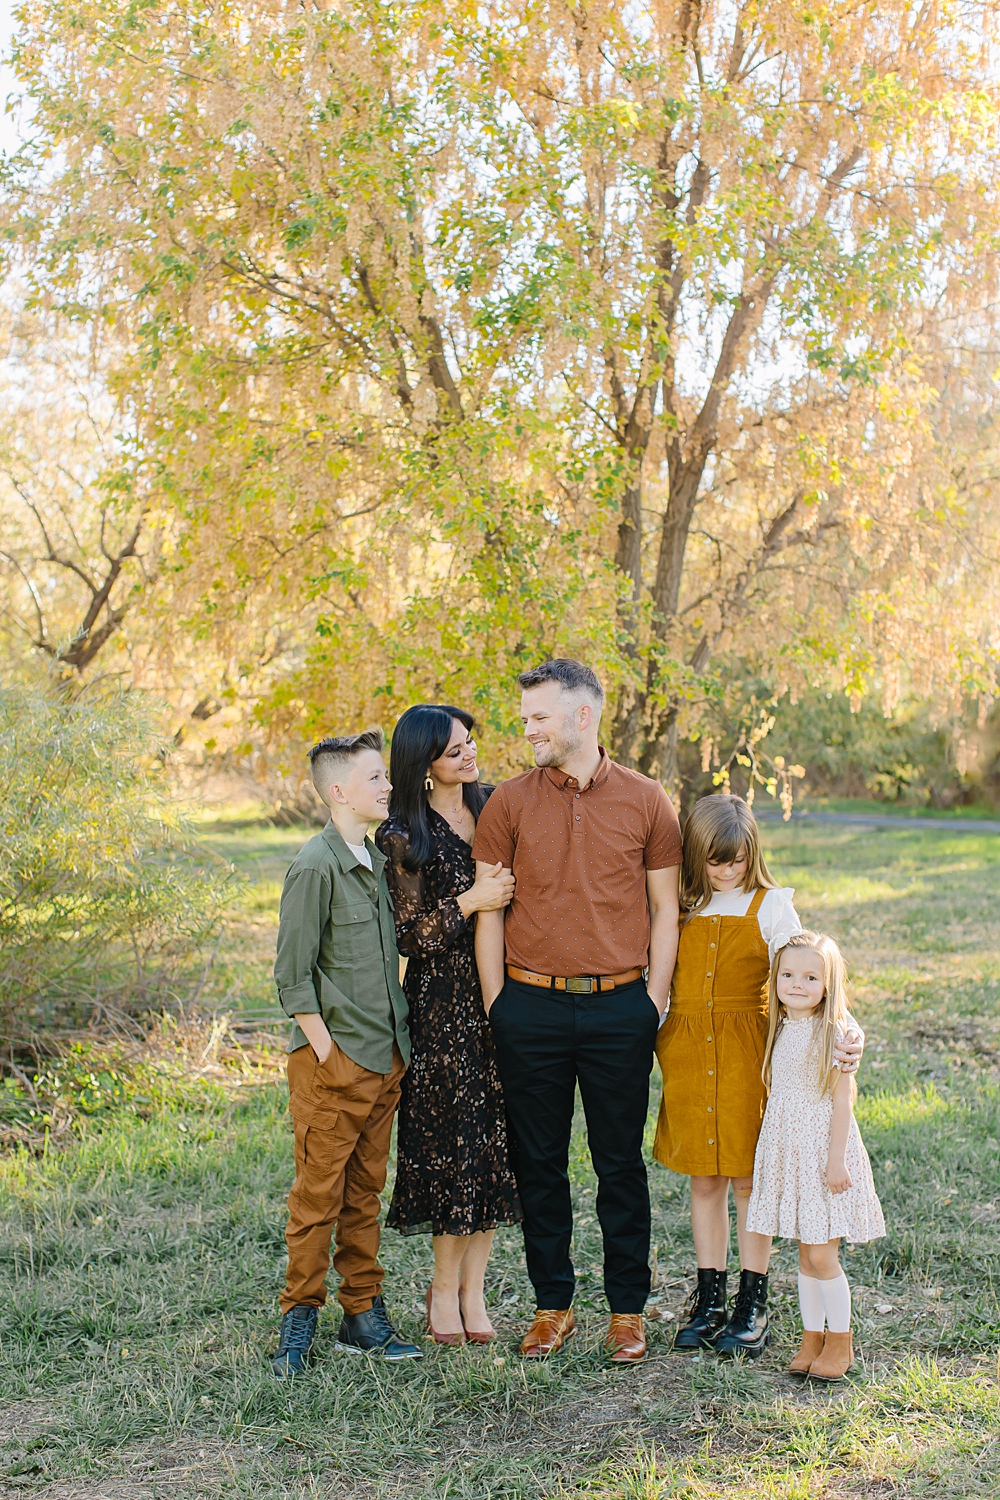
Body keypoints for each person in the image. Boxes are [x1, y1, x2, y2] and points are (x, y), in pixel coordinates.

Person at [473, 659, 682, 1365]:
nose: (528, 728)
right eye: (525, 717)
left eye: (539, 717)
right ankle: (552, 1306)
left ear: (583, 716)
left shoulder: (648, 800)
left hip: (621, 1008)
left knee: (620, 1164)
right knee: (539, 1164)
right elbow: (490, 911)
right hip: (528, 1006)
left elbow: (664, 909)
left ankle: (627, 1312)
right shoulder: (507, 803)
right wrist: (499, 1004)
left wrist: (652, 1001)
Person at [652, 794, 863, 1360]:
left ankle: (753, 1301)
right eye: (715, 861)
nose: (727, 871)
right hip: (689, 1052)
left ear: (753, 854)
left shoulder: (772, 907)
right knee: (704, 1180)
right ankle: (709, 1300)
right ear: (695, 856)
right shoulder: (679, 905)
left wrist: (848, 1028)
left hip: (749, 1055)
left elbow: (811, 976)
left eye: (738, 860)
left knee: (749, 1179)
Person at [271, 730, 421, 1376]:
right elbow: (292, 977)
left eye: (385, 776)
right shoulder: (315, 865)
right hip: (333, 1065)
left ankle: (362, 1313)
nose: (387, 786)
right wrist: (329, 1054)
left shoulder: (377, 862)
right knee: (317, 1200)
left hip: (385, 1060)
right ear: (338, 791)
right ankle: (297, 1322)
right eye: (374, 778)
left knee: (365, 1195)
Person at [375, 704, 521, 1346]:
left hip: (504, 994)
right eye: (454, 749)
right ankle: (442, 1289)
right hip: (441, 1006)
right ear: (425, 763)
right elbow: (410, 936)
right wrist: (471, 901)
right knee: (454, 1145)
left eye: (470, 742)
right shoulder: (404, 835)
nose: (470, 754)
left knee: (495, 1146)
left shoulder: (494, 808)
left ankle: (475, 1291)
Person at [747, 931, 884, 1382]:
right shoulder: (780, 1025)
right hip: (790, 1152)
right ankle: (812, 1339)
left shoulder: (836, 1033)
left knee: (823, 1257)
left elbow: (843, 1101)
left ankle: (840, 1342)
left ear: (828, 984)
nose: (797, 984)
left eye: (810, 977)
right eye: (788, 975)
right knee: (805, 1258)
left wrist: (836, 1159)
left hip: (824, 1152)